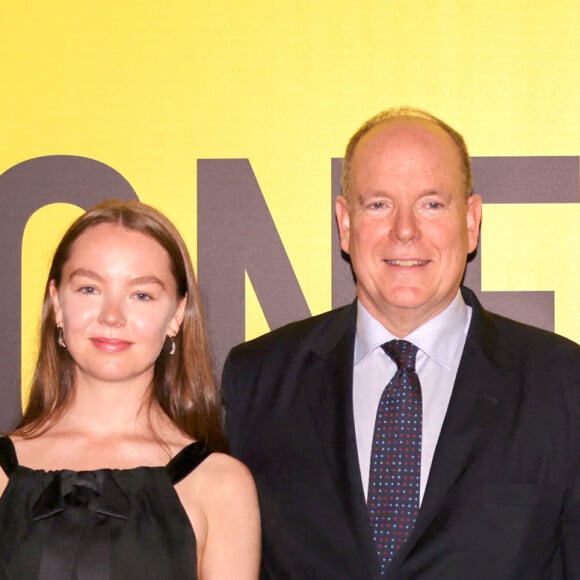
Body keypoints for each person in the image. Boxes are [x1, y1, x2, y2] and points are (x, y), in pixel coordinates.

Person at [222, 107, 580, 579]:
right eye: (378, 205)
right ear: (344, 223)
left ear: (471, 222)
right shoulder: (259, 380)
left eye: (431, 204)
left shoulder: (562, 383)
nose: (405, 230)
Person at [0, 199, 260, 579]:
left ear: (176, 316)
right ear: (57, 303)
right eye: (89, 289)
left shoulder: (219, 486)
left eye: (141, 295)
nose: (111, 316)